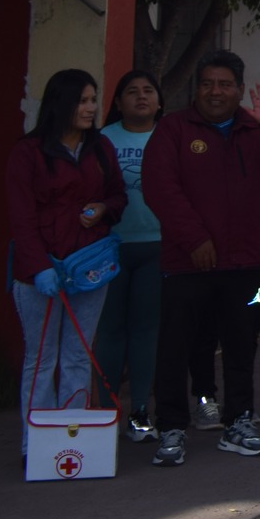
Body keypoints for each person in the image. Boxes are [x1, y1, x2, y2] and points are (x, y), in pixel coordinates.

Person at [142, 49, 260, 466]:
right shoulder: (173, 130)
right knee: (176, 347)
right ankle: (173, 428)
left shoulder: (257, 130)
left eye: (225, 85)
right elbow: (161, 188)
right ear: (196, 88)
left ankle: (238, 422)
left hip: (246, 265)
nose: (215, 92)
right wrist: (194, 239)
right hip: (187, 265)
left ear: (238, 90)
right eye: (207, 84)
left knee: (240, 344)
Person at [8, 69, 126, 459]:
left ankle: (70, 441)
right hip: (39, 272)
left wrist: (103, 209)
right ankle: (35, 443)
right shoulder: (28, 152)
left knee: (78, 355)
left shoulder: (101, 148)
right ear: (61, 104)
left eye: (93, 100)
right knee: (41, 359)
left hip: (89, 268)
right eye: (83, 100)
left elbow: (118, 196)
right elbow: (20, 217)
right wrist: (38, 265)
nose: (90, 108)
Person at [94, 70, 163, 443]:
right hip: (109, 249)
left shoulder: (169, 138)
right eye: (131, 91)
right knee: (110, 332)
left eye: (148, 90)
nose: (141, 96)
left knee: (145, 332)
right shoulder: (102, 140)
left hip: (157, 246)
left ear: (159, 100)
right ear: (117, 102)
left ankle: (139, 413)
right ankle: (104, 415)